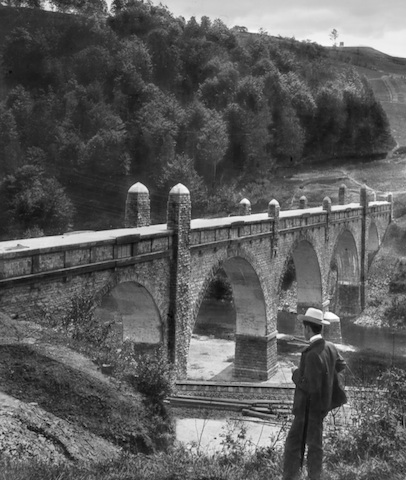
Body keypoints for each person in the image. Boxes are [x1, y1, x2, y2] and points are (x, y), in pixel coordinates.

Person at [282, 307, 347, 480]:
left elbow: (309, 385)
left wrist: (296, 373)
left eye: (304, 328)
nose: (303, 331)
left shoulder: (311, 354)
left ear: (308, 329)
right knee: (315, 445)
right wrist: (327, 383)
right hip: (320, 407)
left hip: (306, 410)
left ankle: (291, 477)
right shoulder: (330, 347)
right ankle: (314, 476)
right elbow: (340, 365)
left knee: (293, 446)